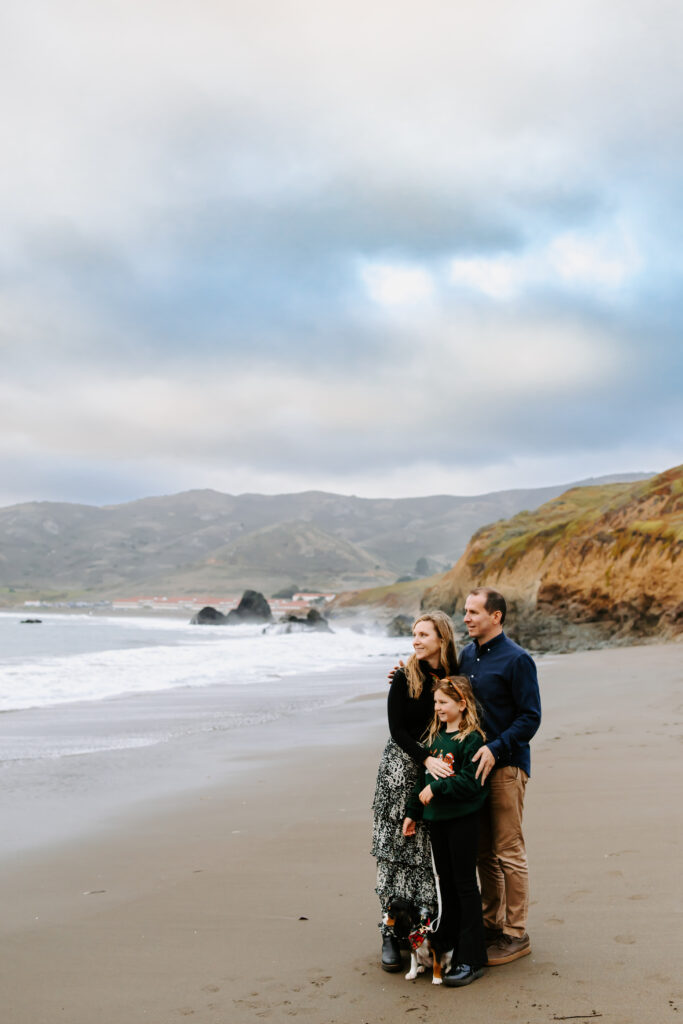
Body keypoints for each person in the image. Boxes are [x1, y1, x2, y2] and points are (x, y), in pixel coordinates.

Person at [371, 610, 459, 972]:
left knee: (425, 854)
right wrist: (425, 761)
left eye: (424, 634)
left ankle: (424, 931)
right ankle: (389, 934)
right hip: (400, 770)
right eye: (414, 634)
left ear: (442, 638)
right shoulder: (404, 677)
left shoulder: (454, 677)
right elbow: (398, 732)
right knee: (394, 851)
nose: (416, 640)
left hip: (435, 768)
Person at [460, 586, 542, 966]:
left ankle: (516, 933)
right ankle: (491, 925)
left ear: (496, 616)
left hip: (506, 766)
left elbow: (530, 717)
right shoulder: (466, 656)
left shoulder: (518, 660)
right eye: (464, 611)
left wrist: (495, 749)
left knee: (509, 851)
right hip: (472, 768)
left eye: (474, 611)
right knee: (481, 852)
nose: (466, 618)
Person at [403, 676, 490, 987]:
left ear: (461, 704)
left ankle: (473, 957)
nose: (437, 708)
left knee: (465, 885)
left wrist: (438, 789)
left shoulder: (473, 740)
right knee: (446, 884)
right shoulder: (436, 738)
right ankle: (448, 942)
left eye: (443, 703)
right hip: (437, 821)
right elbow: (421, 780)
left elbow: (472, 782)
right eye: (436, 703)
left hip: (463, 820)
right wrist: (413, 813)